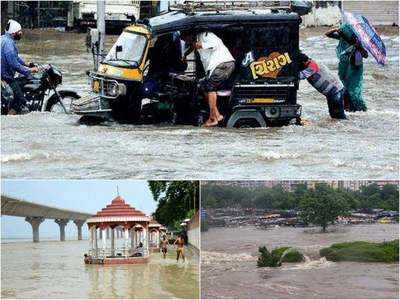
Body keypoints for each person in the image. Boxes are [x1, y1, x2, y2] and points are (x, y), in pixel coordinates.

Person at [182, 31, 235, 127]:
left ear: (191, 35)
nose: (187, 42)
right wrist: (185, 55)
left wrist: (197, 45)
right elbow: (192, 47)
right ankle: (217, 115)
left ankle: (212, 118)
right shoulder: (195, 42)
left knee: (209, 86)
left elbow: (211, 45)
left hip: (223, 64)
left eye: (187, 39)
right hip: (217, 67)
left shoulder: (206, 35)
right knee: (203, 86)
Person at [325, 24, 368, 112]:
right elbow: (327, 34)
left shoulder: (358, 41)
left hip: (355, 64)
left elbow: (365, 55)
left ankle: (356, 107)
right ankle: (347, 106)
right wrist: (336, 29)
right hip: (344, 64)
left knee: (353, 86)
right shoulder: (343, 38)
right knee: (343, 85)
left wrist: (358, 47)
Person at [1, 19, 39, 114]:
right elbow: (14, 64)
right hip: (5, 77)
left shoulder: (3, 39)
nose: (21, 33)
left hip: (3, 75)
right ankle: (10, 118)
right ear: (14, 33)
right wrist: (30, 71)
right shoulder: (9, 44)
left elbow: (15, 58)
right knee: (21, 100)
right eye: (19, 31)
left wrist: (26, 64)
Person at [298, 53, 347, 119]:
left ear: (303, 62)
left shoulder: (312, 66)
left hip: (335, 91)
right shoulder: (312, 64)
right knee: (335, 117)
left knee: (338, 116)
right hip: (333, 91)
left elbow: (300, 76)